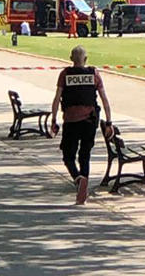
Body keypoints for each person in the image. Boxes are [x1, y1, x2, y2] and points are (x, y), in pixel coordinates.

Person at [50, 46, 113, 205]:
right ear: (86, 59)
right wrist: (109, 122)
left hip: (71, 121)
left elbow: (57, 98)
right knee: (85, 155)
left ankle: (78, 180)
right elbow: (105, 100)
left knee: (68, 155)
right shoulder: (94, 74)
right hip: (89, 122)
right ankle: (83, 185)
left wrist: (53, 120)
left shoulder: (65, 75)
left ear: (71, 58)